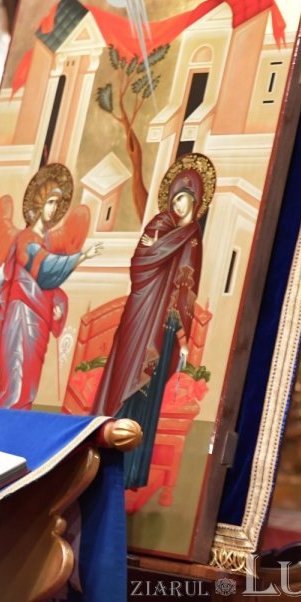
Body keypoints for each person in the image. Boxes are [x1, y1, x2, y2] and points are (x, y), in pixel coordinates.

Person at [92, 153, 214, 490]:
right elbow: (140, 263)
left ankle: (132, 471)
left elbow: (189, 282)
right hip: (142, 312)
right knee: (129, 378)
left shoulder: (191, 236)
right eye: (175, 198)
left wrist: (183, 333)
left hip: (168, 323)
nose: (178, 204)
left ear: (196, 201)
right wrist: (156, 249)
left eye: (184, 198)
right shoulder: (160, 225)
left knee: (150, 391)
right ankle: (106, 460)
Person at [0, 163, 102, 410]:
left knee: (29, 387)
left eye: (57, 204)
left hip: (38, 319)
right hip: (19, 317)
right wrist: (81, 257)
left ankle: (19, 425)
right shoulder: (25, 239)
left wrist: (56, 303)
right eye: (50, 202)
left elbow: (44, 284)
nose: (54, 209)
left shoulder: (46, 240)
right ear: (39, 205)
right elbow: (44, 269)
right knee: (15, 388)